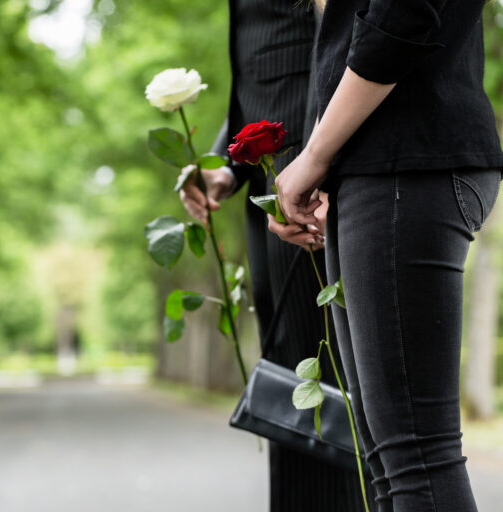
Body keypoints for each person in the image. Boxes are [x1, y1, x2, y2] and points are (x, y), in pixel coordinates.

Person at [269, 0, 503, 510]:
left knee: (415, 458)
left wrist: (316, 156)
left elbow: (403, 12)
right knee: (387, 461)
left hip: (405, 159)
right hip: (380, 163)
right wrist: (322, 166)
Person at [180, 1, 373, 510]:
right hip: (272, 185)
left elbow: (346, 44)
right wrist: (229, 165)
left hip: (314, 185)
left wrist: (328, 167)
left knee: (329, 392)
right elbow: (265, 72)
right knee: (295, 388)